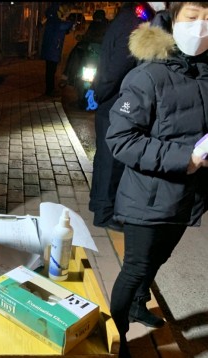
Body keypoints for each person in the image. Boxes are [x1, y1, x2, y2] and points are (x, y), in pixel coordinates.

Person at [105, 2, 208, 358]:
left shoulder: (205, 73)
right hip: (146, 197)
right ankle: (115, 339)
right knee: (135, 267)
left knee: (159, 259)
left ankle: (137, 305)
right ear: (174, 18)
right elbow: (121, 139)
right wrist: (185, 158)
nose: (201, 27)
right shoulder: (147, 76)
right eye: (193, 17)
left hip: (187, 196)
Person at [88, 2, 165, 230]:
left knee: (104, 158)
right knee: (112, 162)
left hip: (109, 101)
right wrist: (100, 93)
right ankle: (105, 213)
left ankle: (98, 204)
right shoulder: (135, 22)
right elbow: (116, 68)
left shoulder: (128, 16)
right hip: (116, 103)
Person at [59, 9, 108, 90]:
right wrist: (82, 38)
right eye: (96, 19)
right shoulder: (93, 24)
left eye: (98, 19)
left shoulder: (107, 26)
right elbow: (87, 35)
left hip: (100, 54)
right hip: (89, 52)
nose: (97, 21)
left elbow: (104, 39)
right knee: (75, 54)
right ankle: (67, 76)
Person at [40, 2, 73, 97]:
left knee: (50, 70)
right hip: (53, 48)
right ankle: (49, 91)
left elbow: (60, 30)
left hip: (51, 48)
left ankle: (50, 89)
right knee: (51, 71)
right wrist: (70, 23)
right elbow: (61, 26)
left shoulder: (52, 19)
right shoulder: (55, 19)